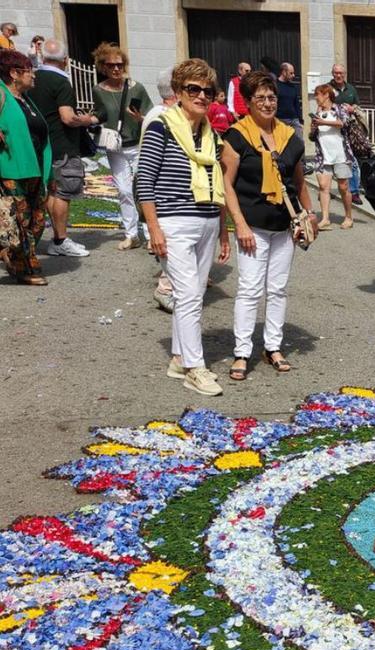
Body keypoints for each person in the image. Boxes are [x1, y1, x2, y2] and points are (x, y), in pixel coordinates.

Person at [137, 58, 230, 397]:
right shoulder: (162, 126)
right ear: (178, 91)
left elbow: (215, 180)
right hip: (174, 222)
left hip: (207, 219)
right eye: (194, 89)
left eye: (208, 90)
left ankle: (178, 359)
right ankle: (194, 366)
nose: (202, 96)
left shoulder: (210, 135)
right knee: (189, 295)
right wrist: (154, 229)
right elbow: (144, 180)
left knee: (194, 293)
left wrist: (223, 230)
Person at [221, 70, 315, 381]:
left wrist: (309, 214)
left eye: (271, 97)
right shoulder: (236, 136)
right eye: (259, 97)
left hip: (284, 227)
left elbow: (298, 182)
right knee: (249, 290)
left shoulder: (290, 136)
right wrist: (240, 225)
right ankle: (241, 352)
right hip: (253, 225)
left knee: (278, 289)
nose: (267, 102)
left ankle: (272, 347)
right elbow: (227, 185)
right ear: (247, 102)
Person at [28, 39, 94, 259]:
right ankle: (60, 239)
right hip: (62, 144)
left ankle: (57, 236)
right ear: (65, 61)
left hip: (40, 144)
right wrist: (86, 120)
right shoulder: (61, 81)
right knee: (63, 192)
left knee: (50, 191)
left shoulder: (33, 79)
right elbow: (67, 117)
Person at [0, 49, 51, 284]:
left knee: (37, 221)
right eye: (29, 71)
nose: (34, 75)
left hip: (37, 170)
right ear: (14, 73)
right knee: (19, 224)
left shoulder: (26, 100)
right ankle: (26, 267)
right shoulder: (1, 95)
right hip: (11, 170)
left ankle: (13, 257)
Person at [91, 42, 149, 250]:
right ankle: (131, 234)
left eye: (120, 64)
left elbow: (150, 116)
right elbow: (100, 113)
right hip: (115, 146)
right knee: (124, 190)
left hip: (137, 144)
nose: (116, 68)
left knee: (144, 189)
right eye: (111, 65)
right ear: (103, 66)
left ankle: (151, 235)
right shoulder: (98, 90)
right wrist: (91, 119)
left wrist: (139, 117)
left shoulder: (137, 87)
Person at [140, 69, 180, 313]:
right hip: (163, 193)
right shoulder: (163, 117)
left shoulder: (157, 112)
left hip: (160, 191)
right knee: (172, 244)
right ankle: (166, 289)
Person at [309, 83, 354, 230]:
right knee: (323, 187)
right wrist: (314, 126)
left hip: (341, 154)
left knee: (343, 186)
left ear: (326, 95)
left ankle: (348, 216)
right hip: (323, 156)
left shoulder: (339, 109)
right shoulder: (317, 113)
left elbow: (344, 123)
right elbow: (311, 136)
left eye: (318, 94)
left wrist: (324, 122)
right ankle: (325, 218)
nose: (316, 97)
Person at [329, 64, 361, 204]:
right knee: (330, 161)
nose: (338, 75)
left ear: (345, 74)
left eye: (341, 73)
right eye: (336, 73)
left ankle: (354, 192)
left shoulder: (351, 89)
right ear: (332, 73)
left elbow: (357, 106)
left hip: (349, 130)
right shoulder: (327, 88)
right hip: (332, 130)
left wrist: (351, 108)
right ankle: (326, 190)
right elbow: (322, 105)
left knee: (351, 160)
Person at [275, 62, 302, 137]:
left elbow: (296, 103)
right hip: (280, 120)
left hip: (294, 119)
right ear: (284, 72)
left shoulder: (292, 86)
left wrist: (300, 119)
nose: (293, 75)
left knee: (299, 142)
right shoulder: (275, 85)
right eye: (291, 73)